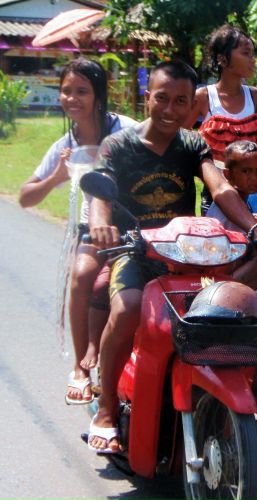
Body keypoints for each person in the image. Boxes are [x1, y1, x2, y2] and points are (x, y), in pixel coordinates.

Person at [87, 60, 257, 453]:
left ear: (190, 105)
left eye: (181, 101)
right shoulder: (118, 145)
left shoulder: (193, 144)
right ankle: (106, 408)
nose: (170, 109)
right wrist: (100, 224)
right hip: (135, 251)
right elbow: (100, 193)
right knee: (128, 308)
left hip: (187, 253)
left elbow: (221, 188)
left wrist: (255, 228)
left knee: (223, 310)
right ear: (147, 97)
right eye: (162, 98)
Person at [18, 58, 137, 405]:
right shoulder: (66, 145)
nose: (72, 99)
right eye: (66, 91)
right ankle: (80, 367)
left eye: (81, 91)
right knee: (80, 277)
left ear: (98, 96)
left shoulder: (127, 130)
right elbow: (25, 197)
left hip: (136, 226)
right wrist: (56, 176)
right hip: (92, 230)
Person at [185, 24, 257, 214]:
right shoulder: (204, 97)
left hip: (250, 192)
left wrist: (251, 165)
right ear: (222, 59)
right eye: (246, 53)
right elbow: (182, 137)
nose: (253, 60)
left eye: (252, 54)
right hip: (213, 193)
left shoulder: (255, 96)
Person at [206, 140, 257, 298]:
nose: (254, 177)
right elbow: (232, 254)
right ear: (228, 174)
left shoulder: (243, 204)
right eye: (246, 171)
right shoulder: (227, 208)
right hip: (222, 281)